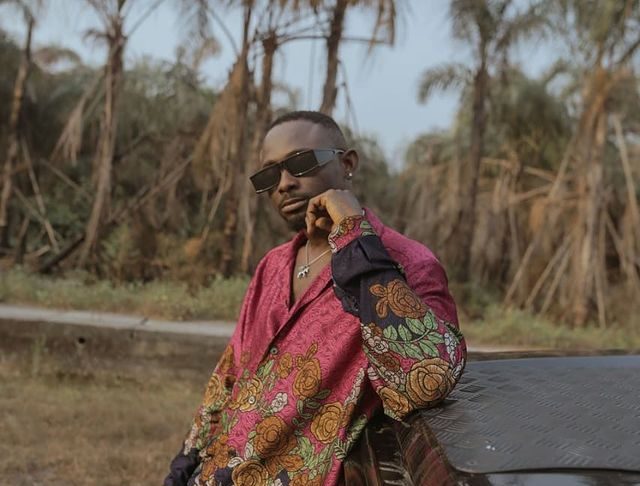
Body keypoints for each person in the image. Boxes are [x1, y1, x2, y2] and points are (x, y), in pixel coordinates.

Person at [164, 111, 466, 486]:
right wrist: (185, 462)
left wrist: (354, 237)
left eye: (302, 163)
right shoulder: (273, 265)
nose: (284, 184)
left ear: (347, 163)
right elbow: (229, 377)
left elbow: (427, 381)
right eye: (269, 175)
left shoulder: (407, 264)